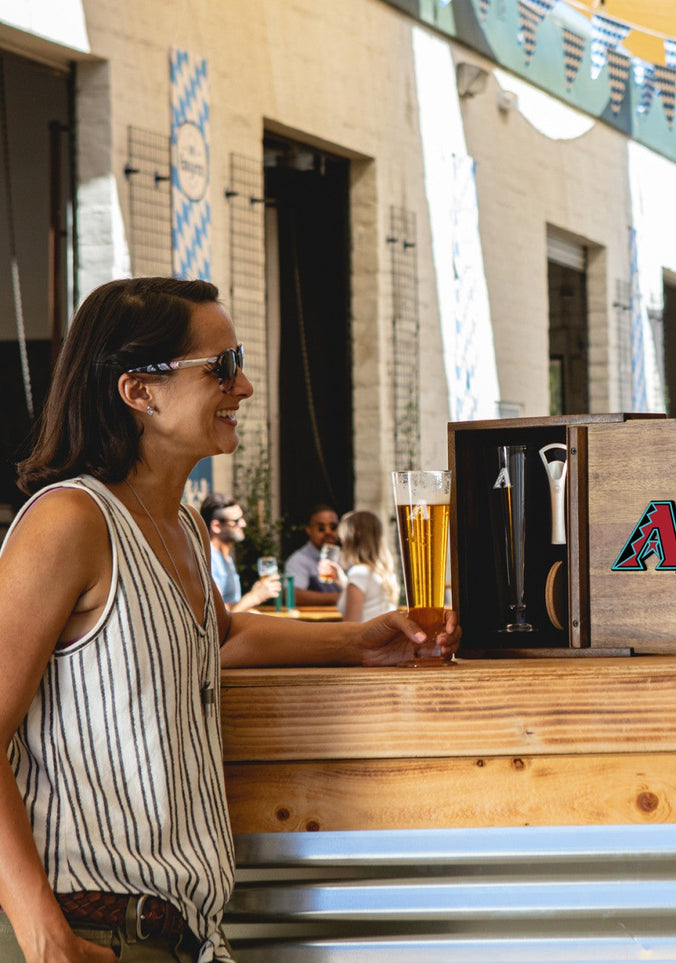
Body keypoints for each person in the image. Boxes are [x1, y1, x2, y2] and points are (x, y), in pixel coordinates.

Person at [0, 277, 459, 962]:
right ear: (139, 391)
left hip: (177, 934)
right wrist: (42, 933)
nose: (242, 386)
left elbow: (225, 636)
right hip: (88, 929)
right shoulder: (70, 520)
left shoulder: (180, 523)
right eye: (222, 366)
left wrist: (362, 640)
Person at [200, 492, 281, 614]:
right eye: (236, 521)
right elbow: (217, 617)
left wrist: (255, 594)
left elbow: (228, 606)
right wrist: (255, 597)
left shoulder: (225, 557)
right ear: (216, 526)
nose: (243, 524)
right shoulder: (209, 559)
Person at [334, 509, 399, 622]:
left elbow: (349, 628)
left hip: (365, 639)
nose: (342, 543)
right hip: (383, 638)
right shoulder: (385, 573)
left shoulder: (359, 573)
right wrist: (341, 581)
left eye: (343, 537)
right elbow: (370, 602)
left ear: (355, 537)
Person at [283, 504, 344, 606]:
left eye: (333, 527)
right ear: (309, 530)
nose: (328, 532)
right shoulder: (298, 560)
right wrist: (340, 598)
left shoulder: (347, 558)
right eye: (321, 528)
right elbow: (292, 594)